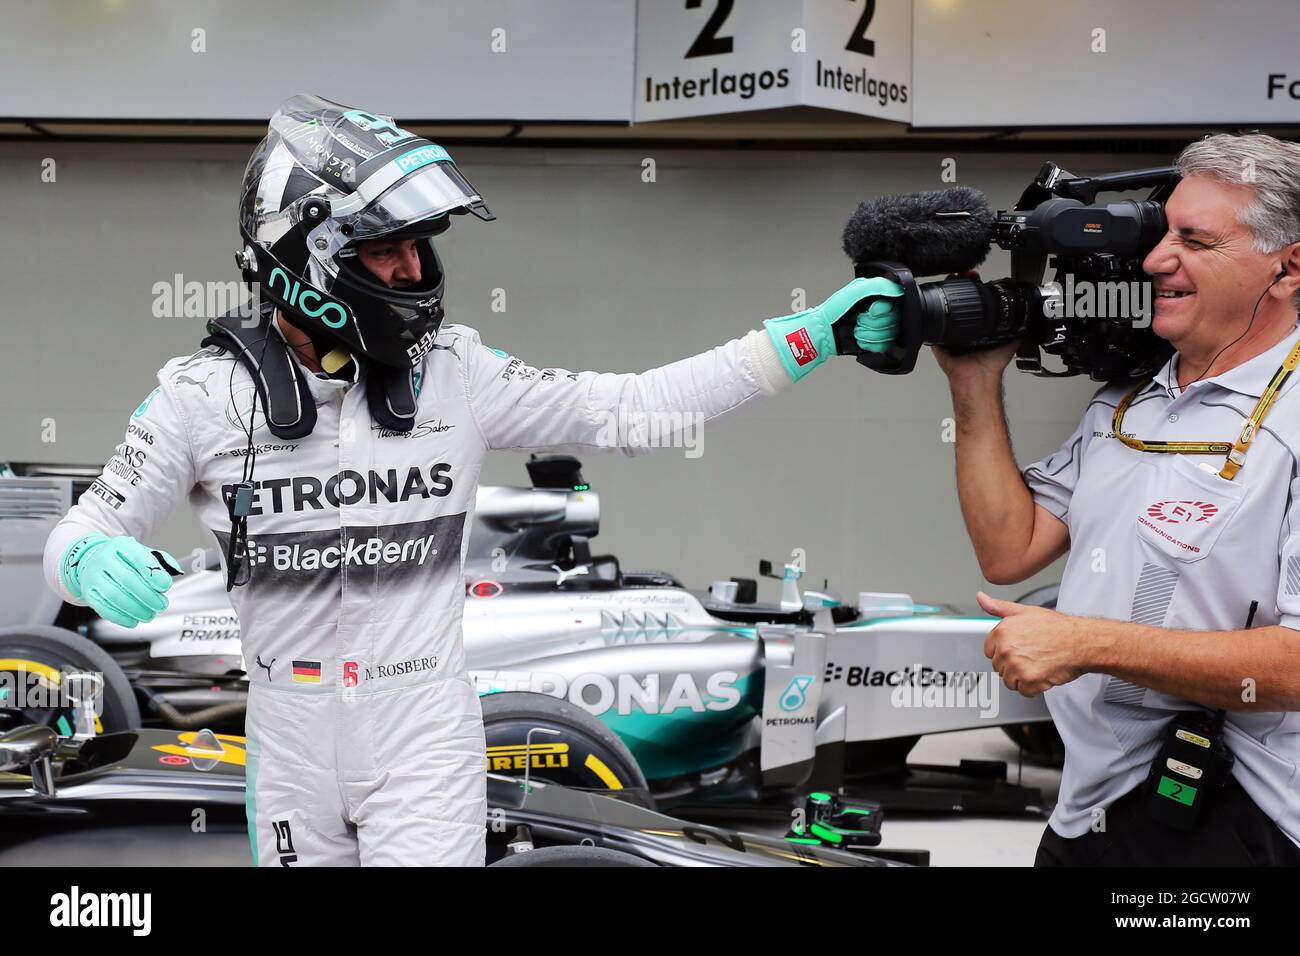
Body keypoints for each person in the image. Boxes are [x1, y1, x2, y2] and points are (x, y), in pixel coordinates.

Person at [41, 94, 902, 866]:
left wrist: (802, 343)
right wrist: (84, 563)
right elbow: (80, 533)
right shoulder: (200, 395)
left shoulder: (459, 371)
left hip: (423, 726)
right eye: (387, 249)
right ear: (307, 254)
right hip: (288, 732)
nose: (415, 271)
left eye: (418, 245)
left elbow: (635, 410)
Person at [939, 132, 1300, 866]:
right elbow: (1011, 548)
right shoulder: (1134, 398)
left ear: (1288, 267)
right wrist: (973, 381)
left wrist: (1084, 643)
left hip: (1239, 821)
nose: (1157, 259)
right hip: (1089, 813)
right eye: (1164, 231)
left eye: (1195, 240)